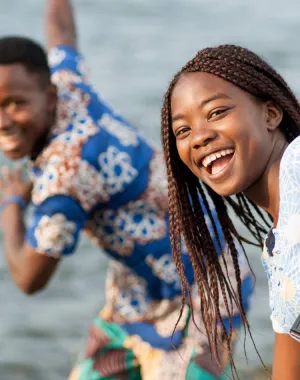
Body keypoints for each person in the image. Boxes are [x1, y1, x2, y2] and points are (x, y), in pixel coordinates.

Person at [0, 1, 253, 378]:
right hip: (137, 294)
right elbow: (62, 30)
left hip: (206, 283)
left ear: (49, 97)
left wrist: (12, 202)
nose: (3, 120)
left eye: (15, 104)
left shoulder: (65, 178)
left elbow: (29, 279)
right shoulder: (69, 85)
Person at [161, 44, 300, 379]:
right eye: (183, 131)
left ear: (270, 114)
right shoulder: (281, 246)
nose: (198, 138)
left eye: (216, 112)